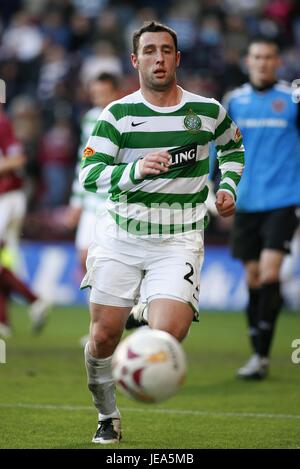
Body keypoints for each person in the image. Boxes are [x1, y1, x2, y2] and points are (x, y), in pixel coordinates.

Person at [79, 21, 244, 444]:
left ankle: (144, 313)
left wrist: (227, 186)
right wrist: (135, 169)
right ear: (135, 61)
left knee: (169, 334)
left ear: (177, 58)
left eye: (166, 50)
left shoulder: (207, 111)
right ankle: (107, 415)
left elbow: (232, 146)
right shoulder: (116, 114)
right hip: (121, 235)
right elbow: (89, 176)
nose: (158, 58)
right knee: (101, 337)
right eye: (149, 51)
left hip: (178, 238)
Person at [225, 37, 300, 380]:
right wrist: (215, 184)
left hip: (284, 199)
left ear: (277, 62)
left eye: (270, 57)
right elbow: (220, 146)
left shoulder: (292, 98)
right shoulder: (235, 101)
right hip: (246, 200)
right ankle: (257, 352)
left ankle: (262, 356)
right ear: (248, 61)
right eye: (257, 57)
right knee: (253, 278)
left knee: (270, 274)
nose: (263, 62)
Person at [67, 73, 120, 347]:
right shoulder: (89, 117)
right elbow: (82, 160)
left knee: (104, 263)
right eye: (95, 93)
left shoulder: (123, 116)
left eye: (103, 93)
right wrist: (75, 202)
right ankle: (101, 324)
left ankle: (112, 323)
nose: (98, 98)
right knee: (85, 259)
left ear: (114, 91)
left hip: (111, 201)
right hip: (89, 201)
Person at [0, 106, 50, 337]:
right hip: (8, 198)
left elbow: (18, 159)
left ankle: (34, 301)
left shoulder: (1, 122)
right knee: (4, 262)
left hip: (7, 197)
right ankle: (4, 321)